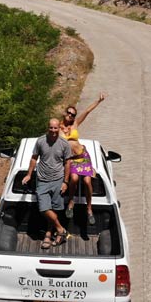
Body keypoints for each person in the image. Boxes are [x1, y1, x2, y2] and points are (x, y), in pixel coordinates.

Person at [21, 118, 72, 249]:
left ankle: (48, 235)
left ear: (59, 128)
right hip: (42, 180)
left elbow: (67, 163)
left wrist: (66, 182)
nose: (53, 130)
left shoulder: (64, 144)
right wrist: (28, 174)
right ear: (47, 128)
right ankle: (61, 229)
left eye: (56, 128)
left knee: (55, 209)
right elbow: (34, 158)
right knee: (44, 208)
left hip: (58, 180)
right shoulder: (40, 141)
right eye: (51, 128)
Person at [61, 92, 106, 224]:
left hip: (83, 155)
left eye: (73, 114)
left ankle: (89, 208)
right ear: (65, 113)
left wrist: (98, 101)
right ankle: (71, 202)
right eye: (68, 113)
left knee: (87, 181)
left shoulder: (75, 124)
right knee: (74, 179)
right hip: (72, 159)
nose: (70, 116)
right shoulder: (58, 127)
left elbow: (87, 111)